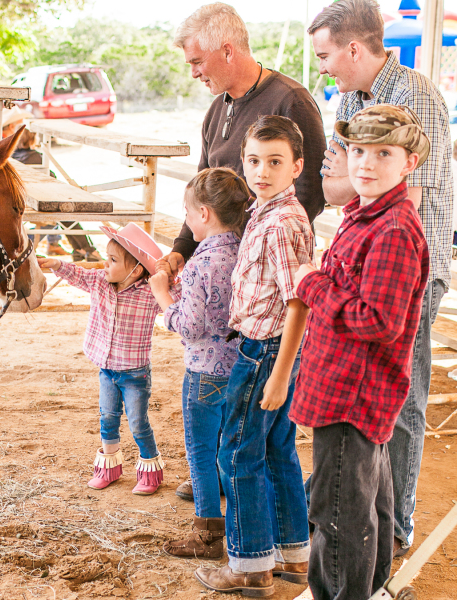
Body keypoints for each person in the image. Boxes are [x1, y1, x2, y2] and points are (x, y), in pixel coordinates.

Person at [308, 0, 454, 558]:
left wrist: (352, 182)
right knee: (367, 388)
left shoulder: (414, 93)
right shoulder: (350, 99)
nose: (322, 66)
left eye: (325, 55)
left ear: (353, 48)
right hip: (362, 252)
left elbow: (403, 197)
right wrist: (351, 185)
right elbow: (334, 191)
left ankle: (394, 529)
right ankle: (360, 515)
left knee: (403, 396)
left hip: (405, 258)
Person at [290, 104, 430, 600]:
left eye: (383, 153)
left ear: (409, 162)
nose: (365, 164)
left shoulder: (391, 230)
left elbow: (378, 320)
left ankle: (341, 593)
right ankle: (371, 588)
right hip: (347, 386)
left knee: (338, 511)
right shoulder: (365, 215)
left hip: (352, 394)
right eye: (358, 150)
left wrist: (312, 285)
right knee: (369, 497)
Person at [194, 115, 314, 597]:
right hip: (268, 350)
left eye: (275, 162)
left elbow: (297, 300)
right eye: (254, 161)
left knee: (237, 452)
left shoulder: (281, 223)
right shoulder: (267, 211)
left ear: (297, 166)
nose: (262, 171)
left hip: (265, 352)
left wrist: (281, 373)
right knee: (275, 449)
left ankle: (248, 565)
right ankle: (292, 553)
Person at [160, 3, 326, 302]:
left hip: (270, 276)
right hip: (224, 269)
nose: (194, 73)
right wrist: (181, 248)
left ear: (227, 51)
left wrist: (249, 247)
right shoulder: (217, 108)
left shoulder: (291, 100)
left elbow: (310, 194)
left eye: (197, 61)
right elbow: (202, 189)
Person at [150, 168, 249, 559]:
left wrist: (163, 296)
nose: (187, 221)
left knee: (201, 452)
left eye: (188, 213)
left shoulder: (199, 264)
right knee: (231, 449)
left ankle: (207, 534)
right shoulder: (239, 251)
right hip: (238, 367)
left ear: (204, 214)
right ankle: (244, 526)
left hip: (204, 372)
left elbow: (189, 327)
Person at [37, 224, 179, 495]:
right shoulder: (99, 282)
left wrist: (168, 274)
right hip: (106, 370)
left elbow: (179, 294)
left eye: (113, 261)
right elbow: (77, 273)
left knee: (138, 423)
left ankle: (150, 469)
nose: (105, 264)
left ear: (136, 270)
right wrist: (56, 263)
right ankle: (109, 469)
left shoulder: (150, 293)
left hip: (135, 374)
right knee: (108, 418)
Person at [6, 112, 102, 261]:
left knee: (62, 215)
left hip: (19, 201)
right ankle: (88, 250)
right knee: (66, 213)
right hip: (36, 202)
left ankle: (81, 249)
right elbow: (52, 179)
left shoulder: (12, 158)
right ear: (33, 139)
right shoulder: (37, 157)